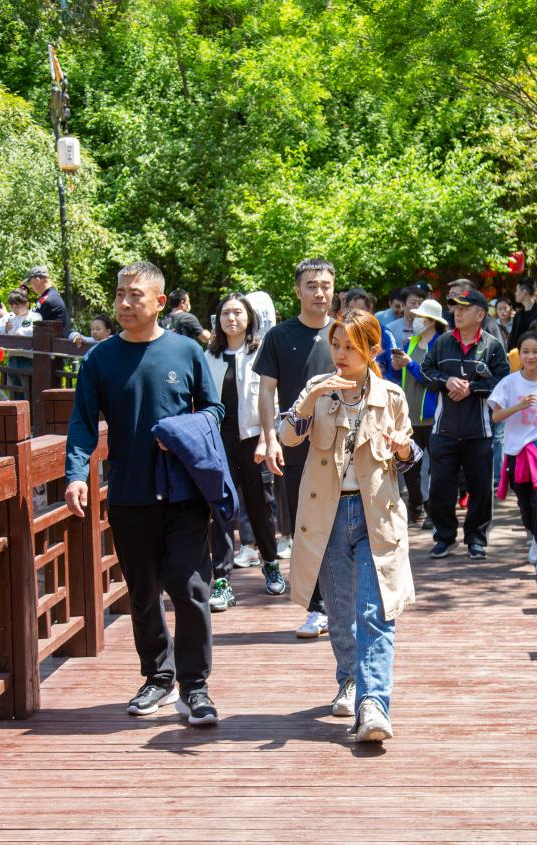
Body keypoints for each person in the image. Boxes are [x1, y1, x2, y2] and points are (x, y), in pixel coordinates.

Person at [64, 260, 224, 724]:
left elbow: (214, 410)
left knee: (191, 588)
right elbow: (81, 424)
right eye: (120, 294)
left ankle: (194, 687)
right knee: (142, 592)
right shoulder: (99, 359)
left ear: (159, 301)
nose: (125, 303)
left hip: (183, 494)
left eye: (136, 295)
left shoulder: (186, 351)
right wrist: (77, 474)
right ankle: (158, 676)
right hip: (130, 493)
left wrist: (182, 429)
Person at [278, 309, 420, 742]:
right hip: (328, 516)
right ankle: (350, 680)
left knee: (376, 611)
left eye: (350, 347)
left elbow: (410, 454)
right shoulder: (318, 393)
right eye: (335, 344)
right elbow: (287, 437)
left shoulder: (391, 395)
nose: (340, 354)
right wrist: (307, 399)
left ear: (372, 350)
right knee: (340, 613)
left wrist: (401, 448)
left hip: (377, 515)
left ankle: (375, 704)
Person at [254, 258, 337, 639]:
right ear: (297, 290)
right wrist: (269, 439)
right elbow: (267, 392)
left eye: (325, 285)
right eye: (311, 285)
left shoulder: (345, 332)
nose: (319, 292)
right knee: (306, 526)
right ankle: (317, 606)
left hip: (343, 445)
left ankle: (345, 603)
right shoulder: (279, 336)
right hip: (297, 444)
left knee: (345, 523)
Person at [205, 293, 284, 612]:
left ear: (249, 318)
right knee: (221, 510)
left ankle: (270, 562)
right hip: (219, 441)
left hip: (255, 439)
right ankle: (221, 580)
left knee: (261, 506)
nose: (232, 319)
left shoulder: (260, 351)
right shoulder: (208, 355)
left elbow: (272, 399)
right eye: (226, 313)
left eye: (238, 313)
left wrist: (269, 437)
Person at [422, 289, 509, 559]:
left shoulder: (493, 346)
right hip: (444, 430)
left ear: (480, 315)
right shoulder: (442, 342)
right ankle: (445, 537)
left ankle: (476, 539)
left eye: (464, 308)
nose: (457, 312)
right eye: (455, 308)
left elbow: (503, 382)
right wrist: (445, 381)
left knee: (480, 488)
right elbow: (426, 370)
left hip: (479, 431)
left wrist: (473, 388)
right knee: (440, 488)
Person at [490, 331, 537, 576]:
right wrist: (519, 406)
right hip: (516, 451)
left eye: (536, 351)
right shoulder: (509, 383)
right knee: (525, 504)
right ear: (518, 354)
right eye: (526, 352)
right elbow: (495, 415)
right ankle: (536, 538)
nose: (531, 356)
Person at [390, 298, 445, 528]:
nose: (416, 320)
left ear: (431, 322)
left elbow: (432, 379)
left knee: (435, 469)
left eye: (421, 317)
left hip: (432, 416)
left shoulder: (441, 345)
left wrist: (410, 364)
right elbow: (398, 372)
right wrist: (397, 362)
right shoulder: (410, 342)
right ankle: (416, 507)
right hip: (408, 416)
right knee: (409, 465)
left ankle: (434, 510)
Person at [0, 290, 40, 399]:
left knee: (29, 394)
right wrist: (4, 329)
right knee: (14, 394)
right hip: (12, 359)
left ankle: (31, 416)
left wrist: (17, 332)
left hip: (28, 360)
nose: (15, 310)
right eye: (12, 306)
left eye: (18, 306)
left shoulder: (35, 317)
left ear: (26, 304)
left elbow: (30, 331)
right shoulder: (9, 316)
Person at [343, 288, 399, 381]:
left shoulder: (384, 333)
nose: (356, 314)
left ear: (370, 310)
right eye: (351, 309)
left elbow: (394, 367)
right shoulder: (340, 332)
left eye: (361, 309)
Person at [25, 266, 71, 337]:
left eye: (30, 283)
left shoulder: (48, 300)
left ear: (37, 280)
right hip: (53, 343)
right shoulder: (50, 295)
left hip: (54, 345)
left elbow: (30, 323)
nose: (31, 286)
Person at [509, 279, 537, 350]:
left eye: (517, 290)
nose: (515, 293)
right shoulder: (518, 315)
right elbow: (513, 339)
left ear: (524, 292)